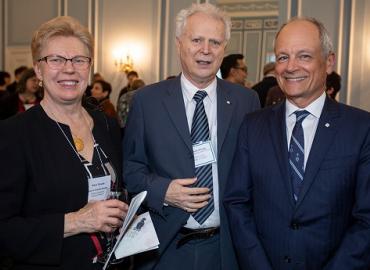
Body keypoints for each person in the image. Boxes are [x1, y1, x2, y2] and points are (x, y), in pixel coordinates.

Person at [224, 17, 370, 270]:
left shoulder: (361, 128)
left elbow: (366, 218)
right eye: (282, 57)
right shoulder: (252, 125)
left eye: (304, 56)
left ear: (329, 62)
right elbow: (237, 203)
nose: (290, 67)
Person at [123, 3, 260, 270]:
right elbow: (131, 170)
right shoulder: (147, 101)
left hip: (227, 249)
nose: (205, 50)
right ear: (179, 43)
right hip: (166, 247)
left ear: (224, 49)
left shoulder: (247, 100)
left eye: (215, 42)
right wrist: (164, 191)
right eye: (196, 40)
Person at [0, 16, 128, 270]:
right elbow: (4, 229)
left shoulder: (107, 126)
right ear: (38, 69)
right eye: (56, 60)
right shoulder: (14, 134)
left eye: (79, 60)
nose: (69, 69)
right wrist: (78, 221)